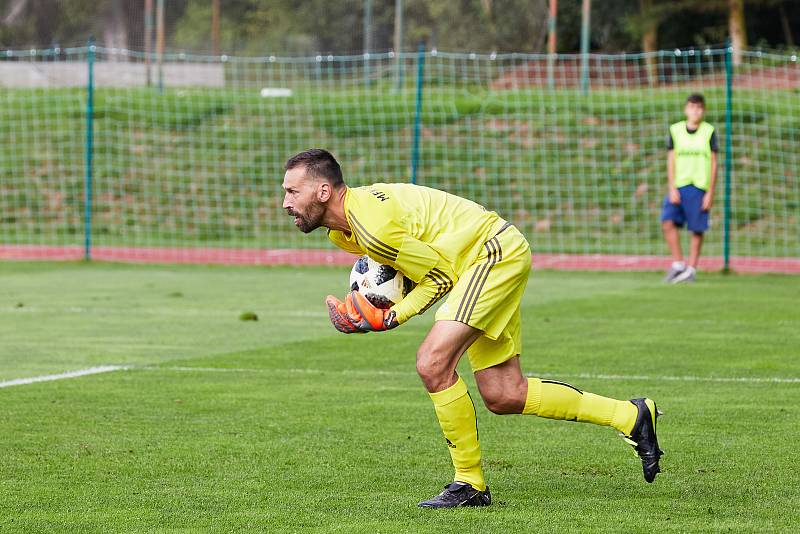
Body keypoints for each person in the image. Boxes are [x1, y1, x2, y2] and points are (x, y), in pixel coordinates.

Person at [282, 148, 663, 508]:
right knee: (504, 394)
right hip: (477, 264)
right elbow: (409, 266)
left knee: (432, 363)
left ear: (324, 190)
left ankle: (469, 483)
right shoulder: (344, 231)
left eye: (292, 191)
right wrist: (365, 302)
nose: (286, 202)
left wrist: (391, 316)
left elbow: (438, 278)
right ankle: (630, 416)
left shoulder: (372, 227)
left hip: (490, 256)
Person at [662, 93, 719, 283]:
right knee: (667, 221)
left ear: (704, 110)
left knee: (696, 229)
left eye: (699, 107)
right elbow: (671, 159)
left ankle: (691, 270)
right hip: (679, 185)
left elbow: (714, 162)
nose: (695, 111)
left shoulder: (708, 131)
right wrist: (671, 186)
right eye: (692, 107)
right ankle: (678, 264)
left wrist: (710, 191)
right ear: (686, 109)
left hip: (699, 186)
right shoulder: (675, 130)